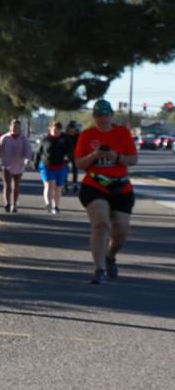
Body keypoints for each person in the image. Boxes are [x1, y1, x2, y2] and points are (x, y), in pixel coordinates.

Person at [74, 99, 138, 284]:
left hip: (121, 187)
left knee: (121, 232)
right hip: (94, 186)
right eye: (99, 115)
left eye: (106, 115)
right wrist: (94, 155)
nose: (103, 119)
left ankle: (110, 256)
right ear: (94, 117)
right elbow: (79, 164)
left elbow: (133, 160)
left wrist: (115, 157)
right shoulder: (87, 135)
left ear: (111, 116)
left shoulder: (123, 133)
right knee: (101, 224)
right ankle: (99, 270)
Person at [0, 118, 32, 212]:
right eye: (14, 126)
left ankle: (14, 204)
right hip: (6, 164)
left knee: (16, 185)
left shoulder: (23, 139)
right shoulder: (4, 138)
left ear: (20, 128)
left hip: (19, 165)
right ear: (10, 127)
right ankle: (7, 203)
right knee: (7, 185)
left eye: (17, 127)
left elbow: (28, 151)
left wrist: (27, 159)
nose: (15, 128)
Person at [35, 119, 76, 214]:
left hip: (61, 166)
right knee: (50, 184)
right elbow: (38, 152)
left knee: (58, 187)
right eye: (54, 129)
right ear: (50, 128)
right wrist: (36, 163)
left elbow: (71, 150)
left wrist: (68, 158)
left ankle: (56, 206)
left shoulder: (65, 139)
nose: (56, 131)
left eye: (58, 129)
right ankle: (48, 203)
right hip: (47, 165)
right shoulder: (45, 139)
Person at [64, 121, 82, 193]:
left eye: (73, 130)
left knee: (75, 170)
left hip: (75, 154)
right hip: (66, 155)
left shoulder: (78, 136)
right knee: (65, 170)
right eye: (70, 131)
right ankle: (65, 185)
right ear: (68, 130)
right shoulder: (65, 136)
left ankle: (75, 185)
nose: (72, 132)